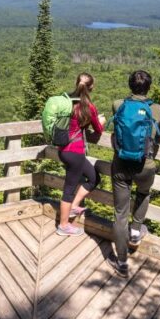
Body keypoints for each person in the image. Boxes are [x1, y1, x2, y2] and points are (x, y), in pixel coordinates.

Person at [107, 70, 160, 277]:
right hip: (145, 165)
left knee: (119, 213)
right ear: (149, 87)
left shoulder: (118, 104)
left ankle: (121, 262)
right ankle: (136, 230)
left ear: (130, 85)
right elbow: (159, 139)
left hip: (121, 164)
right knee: (144, 193)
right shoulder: (158, 110)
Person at [56, 72, 104, 236]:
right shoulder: (88, 107)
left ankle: (74, 207)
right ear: (91, 88)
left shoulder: (66, 102)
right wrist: (101, 121)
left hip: (63, 150)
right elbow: (98, 129)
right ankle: (63, 225)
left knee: (94, 178)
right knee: (68, 190)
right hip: (75, 152)